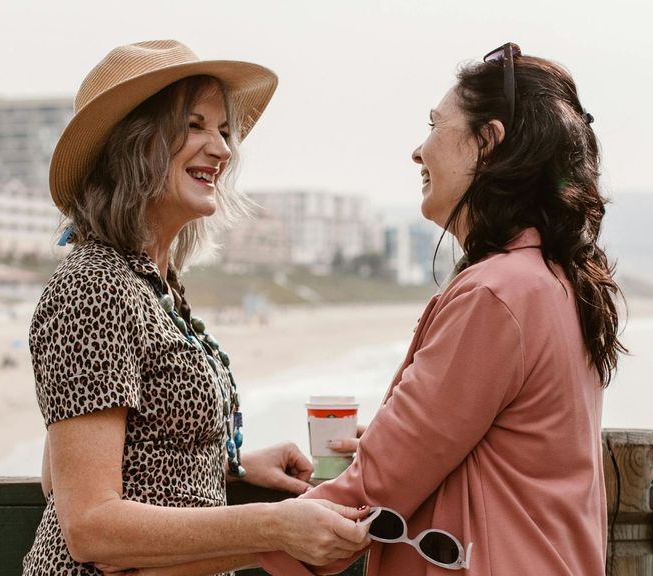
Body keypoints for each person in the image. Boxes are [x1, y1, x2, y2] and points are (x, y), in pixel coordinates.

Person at [261, 43, 625, 575]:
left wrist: (184, 550)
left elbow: (369, 496)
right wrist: (396, 439)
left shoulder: (494, 295)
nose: (418, 151)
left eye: (434, 125)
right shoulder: (554, 279)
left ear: (488, 143)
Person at [22, 40, 369, 575]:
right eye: (194, 125)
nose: (223, 149)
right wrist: (274, 527)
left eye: (224, 131)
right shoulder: (91, 289)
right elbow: (89, 524)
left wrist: (229, 465)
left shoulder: (151, 285)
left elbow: (83, 464)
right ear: (132, 146)